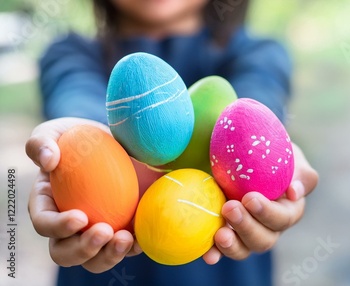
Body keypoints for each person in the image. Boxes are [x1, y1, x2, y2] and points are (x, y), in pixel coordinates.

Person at [25, 0, 319, 285]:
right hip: (101, 252)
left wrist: (269, 158)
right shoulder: (71, 53)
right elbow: (77, 97)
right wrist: (81, 142)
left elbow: (255, 102)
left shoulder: (258, 53)